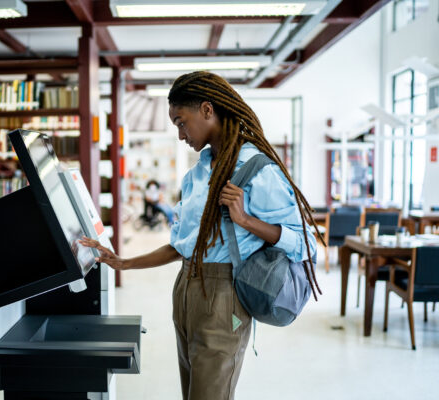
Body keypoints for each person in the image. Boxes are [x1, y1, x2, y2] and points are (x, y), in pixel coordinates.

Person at [80, 71, 321, 400]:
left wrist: (247, 220)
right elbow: (183, 247)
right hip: (186, 291)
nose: (180, 135)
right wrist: (124, 263)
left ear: (207, 110)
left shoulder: (256, 169)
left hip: (224, 297)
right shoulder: (198, 174)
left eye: (182, 122)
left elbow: (303, 239)